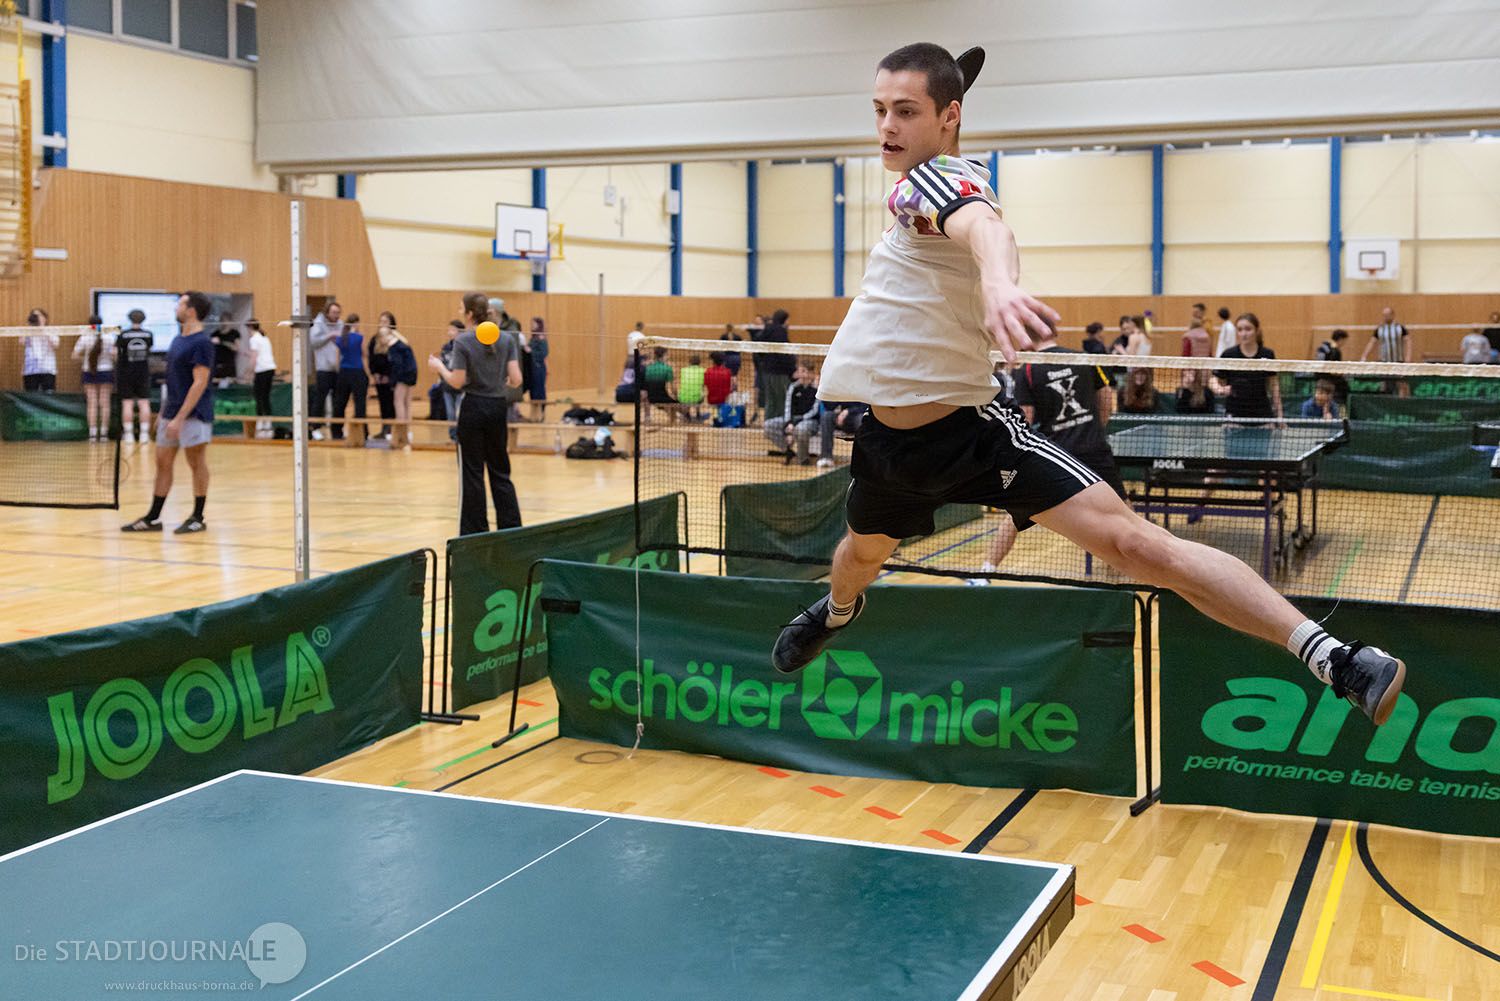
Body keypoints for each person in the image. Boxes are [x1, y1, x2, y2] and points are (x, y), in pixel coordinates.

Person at [771, 42, 1404, 728]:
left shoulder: (932, 182)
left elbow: (983, 227)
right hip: (888, 445)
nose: (886, 127)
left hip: (974, 437)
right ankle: (838, 611)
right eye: (879, 110)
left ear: (949, 116)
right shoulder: (932, 182)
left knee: (1136, 546)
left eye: (905, 111)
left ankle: (1337, 658)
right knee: (859, 557)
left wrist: (1002, 285)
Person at [975, 320, 1125, 582]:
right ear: (1053, 331)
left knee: (1016, 513)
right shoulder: (1083, 358)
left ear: (1025, 337)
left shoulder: (1027, 369)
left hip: (1055, 455)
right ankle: (1137, 573)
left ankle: (985, 572)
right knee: (1124, 512)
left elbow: (1026, 418)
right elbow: (1106, 397)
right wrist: (1095, 429)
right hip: (1094, 447)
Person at [429, 291, 523, 535]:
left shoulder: (463, 341)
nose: (460, 312)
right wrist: (497, 381)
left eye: (462, 309)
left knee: (472, 473)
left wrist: (439, 367)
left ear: (470, 314)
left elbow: (457, 381)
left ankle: (475, 532)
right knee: (500, 470)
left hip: (473, 407)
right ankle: (512, 529)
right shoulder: (506, 339)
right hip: (497, 408)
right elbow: (516, 379)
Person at [122, 291, 215, 535]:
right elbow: (174, 381)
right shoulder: (177, 340)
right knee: (163, 463)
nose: (176, 307)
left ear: (191, 311)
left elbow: (200, 383)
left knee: (196, 462)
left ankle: (198, 517)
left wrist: (180, 417)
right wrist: (164, 414)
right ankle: (153, 518)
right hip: (171, 412)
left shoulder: (202, 343)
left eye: (180, 304)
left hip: (194, 414)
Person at [1213, 312, 1283, 421]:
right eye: (1240, 330)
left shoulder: (1267, 354)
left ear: (1257, 330)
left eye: (1248, 329)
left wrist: (1280, 416)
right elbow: (1213, 379)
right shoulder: (1229, 354)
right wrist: (1219, 389)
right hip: (1234, 415)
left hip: (1262, 415)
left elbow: (1274, 386)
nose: (1244, 334)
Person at [764, 361, 821, 464]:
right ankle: (788, 450)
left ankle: (803, 459)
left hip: (810, 421)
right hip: (792, 420)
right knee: (768, 426)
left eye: (803, 371)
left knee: (801, 429)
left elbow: (814, 411)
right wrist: (788, 423)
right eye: (799, 371)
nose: (799, 374)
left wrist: (795, 422)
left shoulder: (817, 389)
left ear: (810, 373)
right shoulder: (793, 387)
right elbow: (788, 407)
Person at [72, 314, 115, 440]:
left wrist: (87, 360)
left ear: (89, 324)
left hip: (89, 371)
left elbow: (74, 355)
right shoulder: (109, 337)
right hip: (106, 371)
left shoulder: (85, 337)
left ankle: (92, 434)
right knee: (105, 403)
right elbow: (115, 355)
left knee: (92, 403)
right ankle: (104, 434)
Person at [115, 309, 154, 444]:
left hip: (126, 372)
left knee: (127, 403)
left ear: (129, 318)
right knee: (144, 403)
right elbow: (149, 350)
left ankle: (129, 435)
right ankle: (144, 435)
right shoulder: (148, 334)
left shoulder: (123, 335)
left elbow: (116, 353)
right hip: (143, 372)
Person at [308, 302, 343, 440]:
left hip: (338, 368)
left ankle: (337, 430)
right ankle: (315, 428)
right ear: (327, 312)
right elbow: (313, 342)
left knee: (338, 400)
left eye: (338, 313)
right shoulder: (318, 324)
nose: (336, 315)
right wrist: (329, 336)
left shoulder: (341, 324)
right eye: (333, 312)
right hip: (323, 368)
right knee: (320, 399)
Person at [331, 313, 368, 442]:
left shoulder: (341, 338)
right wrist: (368, 374)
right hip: (357, 371)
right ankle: (362, 433)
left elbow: (337, 359)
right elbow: (365, 355)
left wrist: (339, 372)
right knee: (360, 404)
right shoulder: (359, 337)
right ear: (356, 323)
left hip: (344, 372)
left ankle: (336, 432)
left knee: (340, 403)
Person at [1361, 305, 1411, 398]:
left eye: (1387, 315)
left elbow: (1408, 341)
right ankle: (1385, 401)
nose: (1385, 317)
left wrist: (1408, 357)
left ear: (1392, 315)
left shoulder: (1400, 328)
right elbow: (1372, 342)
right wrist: (1364, 356)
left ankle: (1404, 402)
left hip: (1398, 361)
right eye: (1384, 315)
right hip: (1384, 362)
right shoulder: (1379, 329)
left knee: (1402, 384)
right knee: (1384, 384)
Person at [756, 309, 795, 421]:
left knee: (770, 400)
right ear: (784, 319)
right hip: (779, 372)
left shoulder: (767, 329)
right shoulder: (780, 331)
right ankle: (782, 423)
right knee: (782, 399)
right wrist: (792, 370)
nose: (788, 322)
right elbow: (784, 353)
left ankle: (768, 423)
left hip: (767, 371)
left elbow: (759, 347)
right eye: (788, 320)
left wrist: (765, 361)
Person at [385, 322, 418, 448]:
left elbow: (397, 365)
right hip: (411, 373)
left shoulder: (394, 346)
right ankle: (408, 432)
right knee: (407, 403)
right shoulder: (403, 343)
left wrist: (393, 382)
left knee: (398, 401)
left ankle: (401, 433)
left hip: (403, 375)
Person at [369, 312, 397, 440]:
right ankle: (384, 429)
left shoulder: (395, 339)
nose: (382, 324)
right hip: (379, 377)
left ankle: (393, 430)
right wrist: (374, 373)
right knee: (383, 404)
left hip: (391, 377)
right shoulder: (375, 339)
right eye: (381, 321)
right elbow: (371, 357)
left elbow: (395, 360)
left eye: (385, 321)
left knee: (392, 404)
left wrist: (389, 376)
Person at [247, 319, 276, 438]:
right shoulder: (265, 338)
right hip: (270, 368)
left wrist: (248, 372)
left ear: (250, 328)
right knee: (265, 397)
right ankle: (268, 423)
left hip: (262, 370)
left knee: (259, 397)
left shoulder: (254, 339)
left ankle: (260, 424)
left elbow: (254, 358)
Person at [818, 400, 867, 469]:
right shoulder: (843, 393)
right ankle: (826, 457)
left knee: (861, 420)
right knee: (827, 416)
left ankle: (864, 459)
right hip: (842, 419)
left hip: (858, 416)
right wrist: (827, 398)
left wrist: (848, 411)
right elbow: (830, 407)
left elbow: (865, 407)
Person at [21, 308, 58, 392]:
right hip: (31, 369)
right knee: (31, 394)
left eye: (39, 315)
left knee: (49, 394)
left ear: (45, 317)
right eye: (34, 316)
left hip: (47, 368)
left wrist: (43, 328)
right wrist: (29, 326)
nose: (36, 317)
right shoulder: (27, 331)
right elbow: (22, 341)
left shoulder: (51, 330)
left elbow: (55, 345)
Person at [642, 346, 677, 422]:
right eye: (667, 355)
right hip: (662, 398)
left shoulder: (648, 368)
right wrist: (676, 397)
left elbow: (644, 385)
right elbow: (672, 389)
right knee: (676, 405)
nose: (668, 357)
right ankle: (674, 421)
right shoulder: (668, 368)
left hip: (650, 398)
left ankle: (647, 417)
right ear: (664, 355)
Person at [1315, 328, 1350, 402]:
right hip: (1330, 380)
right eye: (1344, 341)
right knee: (1344, 386)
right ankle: (1340, 406)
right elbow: (1333, 370)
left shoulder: (1322, 346)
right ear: (1340, 339)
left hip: (1318, 378)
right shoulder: (1335, 351)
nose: (1344, 343)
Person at [528, 317, 549, 421]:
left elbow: (544, 353)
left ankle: (541, 414)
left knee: (539, 391)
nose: (532, 325)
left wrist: (530, 351)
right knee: (533, 391)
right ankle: (533, 415)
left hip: (539, 367)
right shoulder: (532, 338)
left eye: (534, 323)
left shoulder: (542, 338)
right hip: (532, 367)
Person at [210, 318, 240, 388]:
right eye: (222, 321)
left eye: (226, 321)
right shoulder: (215, 334)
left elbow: (236, 348)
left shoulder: (234, 333)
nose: (224, 323)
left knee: (229, 385)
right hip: (217, 365)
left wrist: (221, 342)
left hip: (229, 365)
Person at [678, 353, 706, 420]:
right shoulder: (703, 371)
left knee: (688, 392)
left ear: (690, 362)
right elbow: (703, 386)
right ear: (699, 363)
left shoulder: (683, 370)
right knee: (701, 393)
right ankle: (698, 414)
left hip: (683, 398)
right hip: (696, 399)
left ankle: (687, 415)